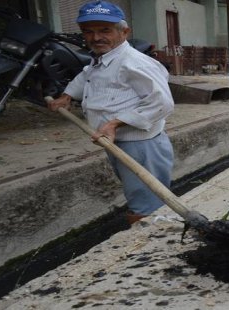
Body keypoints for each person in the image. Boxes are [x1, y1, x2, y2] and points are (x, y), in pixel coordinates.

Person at [48, 1, 174, 224]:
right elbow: (86, 76)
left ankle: (147, 243)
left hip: (141, 145)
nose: (96, 38)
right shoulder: (102, 59)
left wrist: (114, 123)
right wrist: (67, 96)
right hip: (116, 141)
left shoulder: (134, 62)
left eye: (105, 30)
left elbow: (162, 104)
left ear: (124, 32)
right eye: (89, 31)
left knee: (147, 201)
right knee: (138, 193)